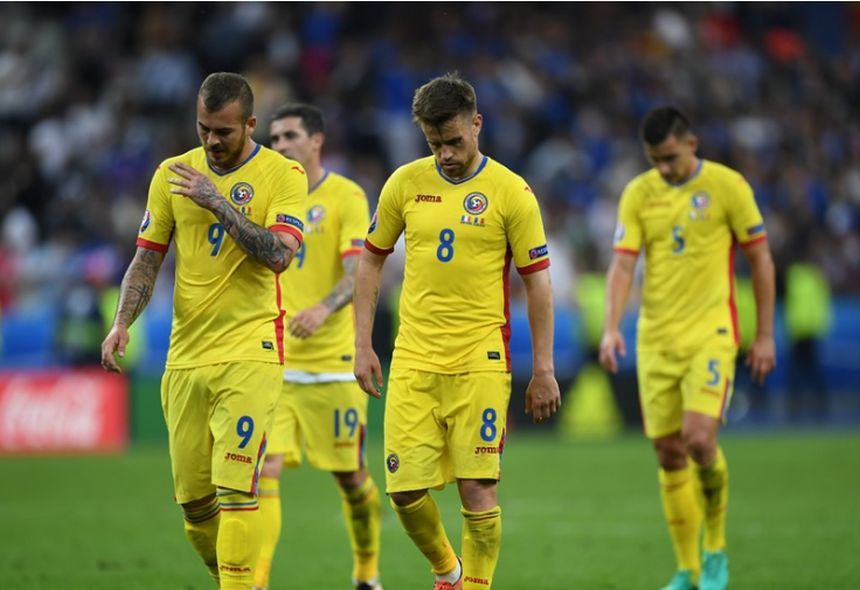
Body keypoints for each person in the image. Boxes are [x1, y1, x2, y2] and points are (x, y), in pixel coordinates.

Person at [353, 73, 561, 590]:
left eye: (453, 141)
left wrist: (544, 369)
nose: (445, 154)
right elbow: (370, 261)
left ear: (477, 123)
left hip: (480, 360)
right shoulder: (404, 183)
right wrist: (362, 344)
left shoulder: (513, 192)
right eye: (434, 143)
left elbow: (538, 285)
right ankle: (448, 571)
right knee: (402, 492)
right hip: (414, 359)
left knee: (478, 489)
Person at [100, 72, 307, 590]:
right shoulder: (173, 174)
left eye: (224, 131)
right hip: (186, 356)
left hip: (252, 347)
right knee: (196, 505)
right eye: (203, 129)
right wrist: (122, 321)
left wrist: (218, 201)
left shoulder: (283, 174)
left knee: (237, 488)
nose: (212, 141)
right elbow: (146, 259)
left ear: (251, 125)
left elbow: (279, 255)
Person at [599, 106, 776, 590]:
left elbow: (760, 259)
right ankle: (687, 568)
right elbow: (621, 265)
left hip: (711, 334)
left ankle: (715, 549)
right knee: (667, 452)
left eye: (671, 157)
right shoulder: (639, 193)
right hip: (655, 337)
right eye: (655, 159)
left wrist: (763, 334)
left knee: (699, 439)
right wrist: (612, 327)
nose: (664, 168)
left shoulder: (729, 187)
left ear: (692, 144)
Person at [253, 104, 382, 590]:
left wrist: (323, 309)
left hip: (333, 364)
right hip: (275, 361)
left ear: (317, 141)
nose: (280, 145)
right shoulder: (266, 196)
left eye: (289, 136)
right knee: (264, 471)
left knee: (350, 478)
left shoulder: (346, 196)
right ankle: (257, 582)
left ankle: (367, 574)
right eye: (274, 138)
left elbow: (360, 271)